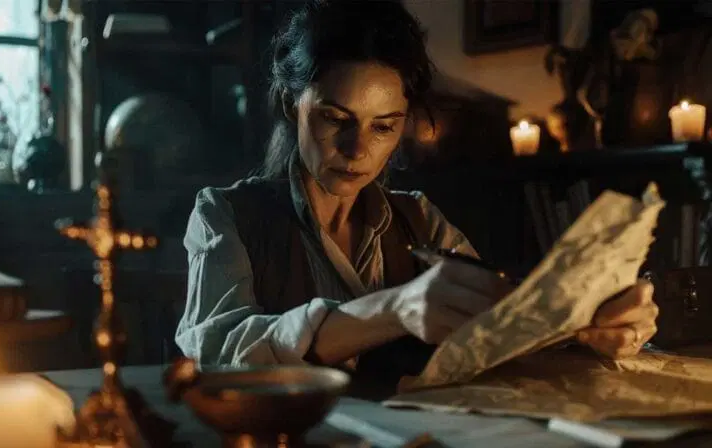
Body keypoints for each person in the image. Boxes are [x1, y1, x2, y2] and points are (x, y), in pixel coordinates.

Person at [175, 0, 659, 385]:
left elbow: (496, 322)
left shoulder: (421, 219)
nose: (357, 148)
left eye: (383, 127)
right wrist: (392, 309)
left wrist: (586, 324)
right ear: (290, 103)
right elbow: (217, 350)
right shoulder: (227, 215)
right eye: (335, 118)